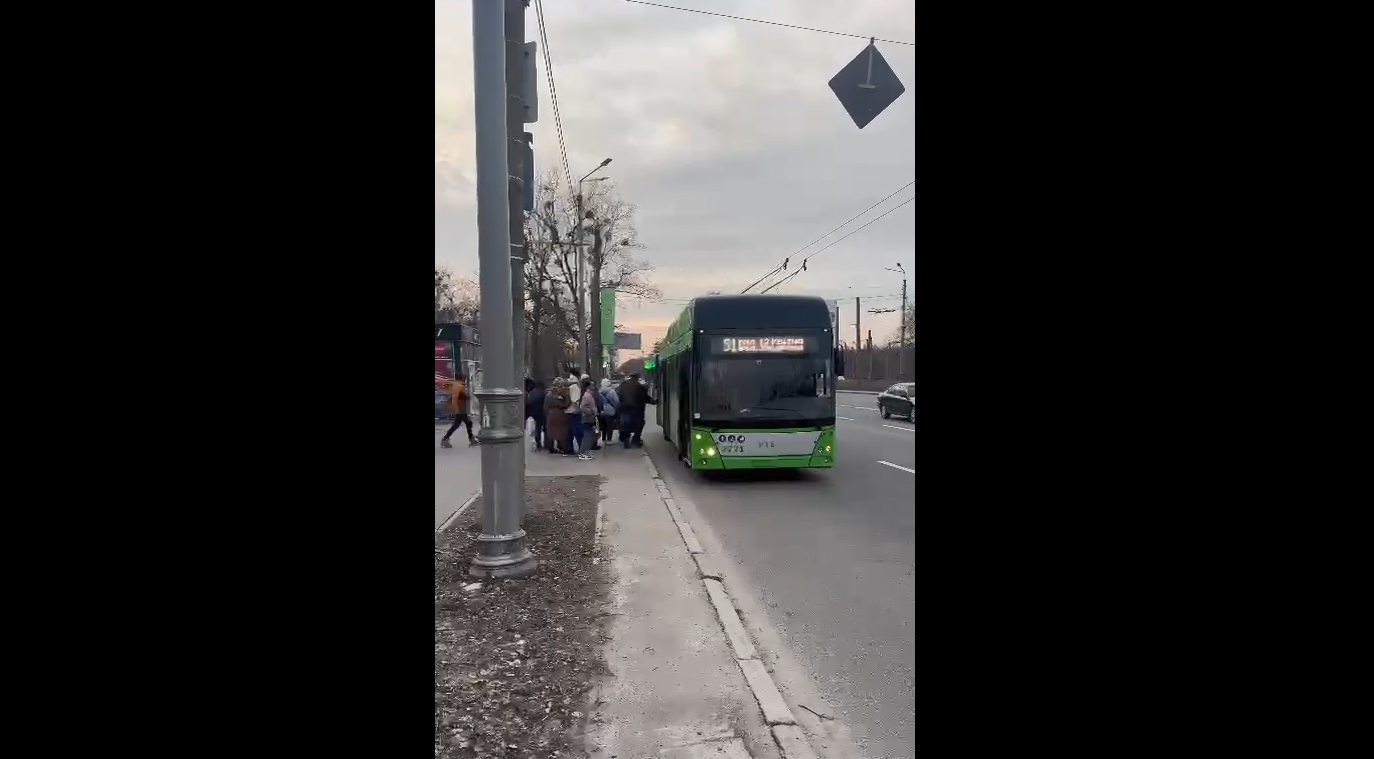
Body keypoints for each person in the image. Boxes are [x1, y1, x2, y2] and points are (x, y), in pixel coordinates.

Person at [439, 373, 478, 448]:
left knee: (464, 424)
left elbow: (454, 397)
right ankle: (445, 439)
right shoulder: (459, 386)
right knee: (464, 424)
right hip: (461, 410)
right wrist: (457, 409)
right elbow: (459, 397)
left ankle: (446, 439)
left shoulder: (456, 386)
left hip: (460, 409)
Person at [544, 378, 570, 455]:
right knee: (561, 431)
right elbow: (567, 403)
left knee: (550, 431)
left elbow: (545, 407)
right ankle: (561, 446)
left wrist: (546, 414)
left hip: (551, 414)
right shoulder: (563, 394)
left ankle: (550, 447)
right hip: (561, 414)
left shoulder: (549, 395)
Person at [616, 373, 642, 449]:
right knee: (639, 423)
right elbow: (642, 398)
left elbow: (618, 394)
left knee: (624, 423)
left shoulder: (623, 384)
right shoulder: (639, 386)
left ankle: (624, 437)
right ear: (637, 377)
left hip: (623, 407)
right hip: (634, 408)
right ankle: (636, 440)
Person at [578, 379, 599, 460]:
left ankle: (586, 451)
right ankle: (582, 453)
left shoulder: (589, 395)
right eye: (592, 385)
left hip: (590, 418)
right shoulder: (587, 395)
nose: (593, 386)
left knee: (590, 436)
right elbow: (582, 407)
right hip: (587, 418)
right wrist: (592, 412)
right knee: (587, 436)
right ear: (588, 386)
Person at [526, 379, 546, 452]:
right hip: (542, 412)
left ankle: (538, 442)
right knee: (544, 428)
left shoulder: (532, 393)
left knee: (537, 428)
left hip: (534, 413)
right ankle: (546, 443)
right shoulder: (543, 393)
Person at [598, 378, 619, 443]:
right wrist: (616, 408)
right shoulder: (612, 391)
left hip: (601, 410)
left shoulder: (599, 391)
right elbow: (616, 401)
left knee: (603, 425)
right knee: (610, 425)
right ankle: (609, 439)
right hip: (610, 411)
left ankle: (603, 438)